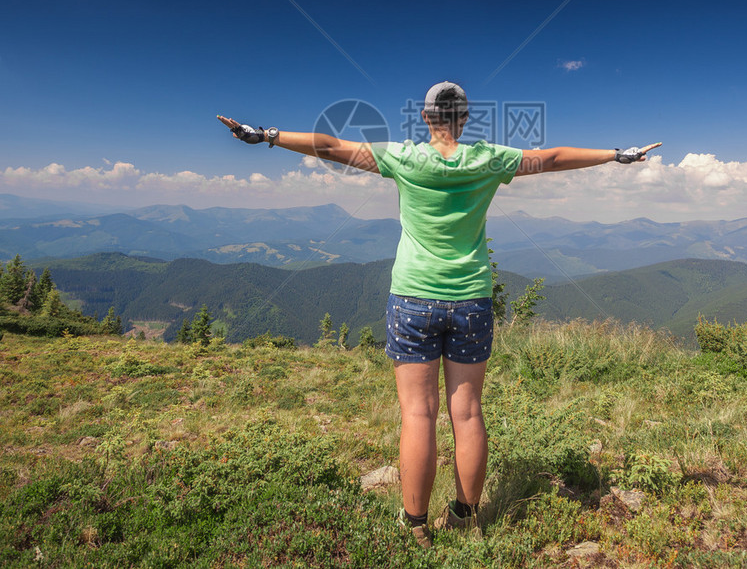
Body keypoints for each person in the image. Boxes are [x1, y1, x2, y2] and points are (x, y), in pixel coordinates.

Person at [217, 81, 660, 547]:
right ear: (464, 119)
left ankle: (415, 525)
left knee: (418, 415)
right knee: (467, 413)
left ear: (426, 119)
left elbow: (329, 146)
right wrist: (617, 155)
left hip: (412, 299)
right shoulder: (488, 158)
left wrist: (263, 135)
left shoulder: (403, 158)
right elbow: (551, 158)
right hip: (471, 299)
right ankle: (466, 515)